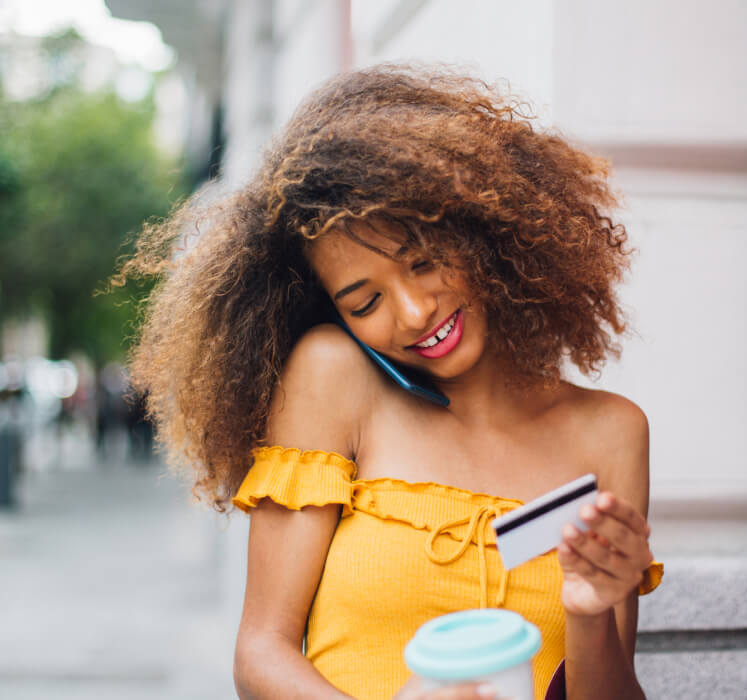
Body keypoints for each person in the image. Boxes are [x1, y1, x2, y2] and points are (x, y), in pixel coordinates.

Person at [122, 66, 663, 700]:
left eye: (424, 261)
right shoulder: (333, 379)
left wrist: (592, 612)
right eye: (363, 301)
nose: (413, 313)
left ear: (479, 229)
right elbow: (261, 653)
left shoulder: (613, 434)